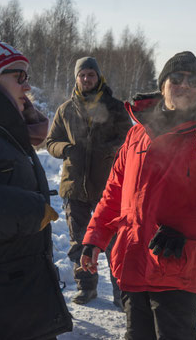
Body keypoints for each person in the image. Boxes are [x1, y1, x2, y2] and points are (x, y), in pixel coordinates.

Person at [79, 51, 196, 339]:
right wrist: (94, 240)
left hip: (174, 265)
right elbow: (114, 193)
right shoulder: (137, 135)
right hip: (132, 263)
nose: (184, 85)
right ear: (163, 85)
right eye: (176, 78)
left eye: (192, 80)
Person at [0, 38, 72, 339]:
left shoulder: (4, 133)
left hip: (19, 300)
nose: (28, 86)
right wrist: (26, 211)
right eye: (20, 76)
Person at [46, 56, 132, 306]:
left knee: (115, 241)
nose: (86, 79)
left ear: (98, 77)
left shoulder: (115, 107)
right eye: (82, 75)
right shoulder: (65, 110)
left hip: (109, 187)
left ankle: (120, 291)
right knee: (79, 241)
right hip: (74, 186)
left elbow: (129, 139)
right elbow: (51, 142)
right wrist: (65, 149)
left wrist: (110, 149)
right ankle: (86, 287)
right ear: (76, 78)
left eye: (90, 75)